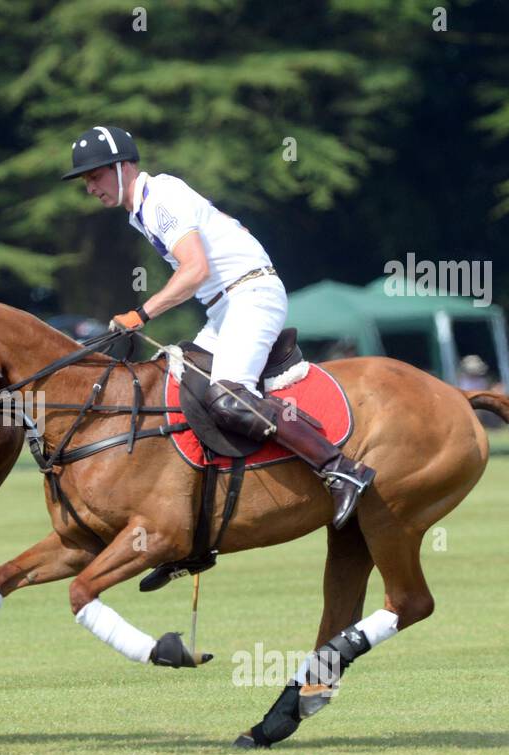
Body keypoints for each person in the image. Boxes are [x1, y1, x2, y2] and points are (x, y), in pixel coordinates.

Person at [61, 126, 375, 533]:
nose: (90, 187)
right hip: (226, 306)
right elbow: (230, 227)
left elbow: (195, 269)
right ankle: (191, 517)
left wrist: (141, 313)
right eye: (86, 180)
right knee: (181, 389)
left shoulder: (159, 199)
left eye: (95, 176)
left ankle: (341, 469)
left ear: (122, 167)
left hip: (249, 295)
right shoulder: (144, 209)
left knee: (228, 397)